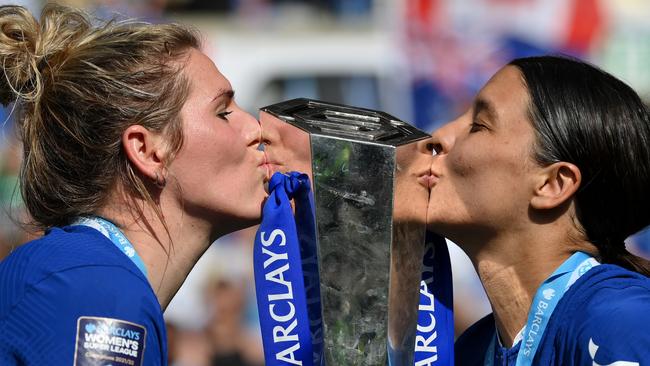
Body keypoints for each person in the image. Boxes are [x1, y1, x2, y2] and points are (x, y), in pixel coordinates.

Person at [0, 4, 268, 365]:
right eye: (223, 113)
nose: (255, 129)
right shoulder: (96, 293)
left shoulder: (89, 280)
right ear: (147, 151)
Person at [426, 55, 650, 365]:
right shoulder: (472, 351)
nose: (438, 136)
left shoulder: (622, 323)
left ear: (553, 184)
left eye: (478, 125)